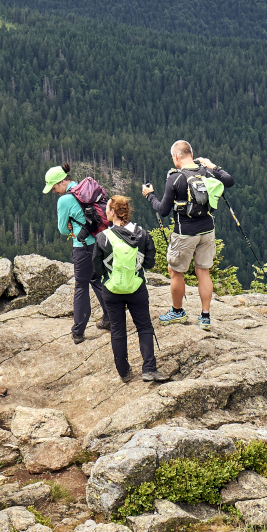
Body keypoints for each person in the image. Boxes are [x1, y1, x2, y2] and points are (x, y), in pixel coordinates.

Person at [144, 141, 236, 328]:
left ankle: (177, 312)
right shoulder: (206, 171)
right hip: (208, 230)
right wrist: (212, 165)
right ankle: (205, 316)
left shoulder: (175, 178)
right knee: (203, 271)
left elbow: (163, 210)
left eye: (173, 157)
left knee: (175, 271)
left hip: (184, 232)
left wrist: (150, 195)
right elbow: (229, 180)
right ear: (191, 154)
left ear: (176, 156)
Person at [93, 195, 169, 384]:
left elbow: (96, 267)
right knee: (144, 326)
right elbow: (149, 263)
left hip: (112, 290)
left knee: (118, 330)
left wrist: (109, 277)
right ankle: (149, 369)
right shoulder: (142, 234)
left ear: (112, 212)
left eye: (107, 209)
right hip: (137, 288)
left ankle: (124, 372)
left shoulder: (103, 237)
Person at [44, 163, 110, 345]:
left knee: (81, 286)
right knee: (97, 279)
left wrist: (71, 226)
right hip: (101, 242)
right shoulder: (86, 188)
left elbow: (63, 229)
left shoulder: (64, 200)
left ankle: (79, 331)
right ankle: (110, 318)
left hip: (82, 247)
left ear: (61, 182)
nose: (54, 191)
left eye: (54, 187)